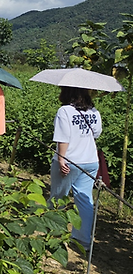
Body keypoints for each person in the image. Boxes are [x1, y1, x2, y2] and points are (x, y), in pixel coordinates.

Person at [48, 86, 101, 250]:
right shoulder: (94, 112)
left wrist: (62, 159)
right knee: (85, 200)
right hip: (91, 161)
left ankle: (54, 236)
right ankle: (83, 241)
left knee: (58, 197)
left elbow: (63, 138)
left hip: (70, 161)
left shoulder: (65, 111)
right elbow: (96, 134)